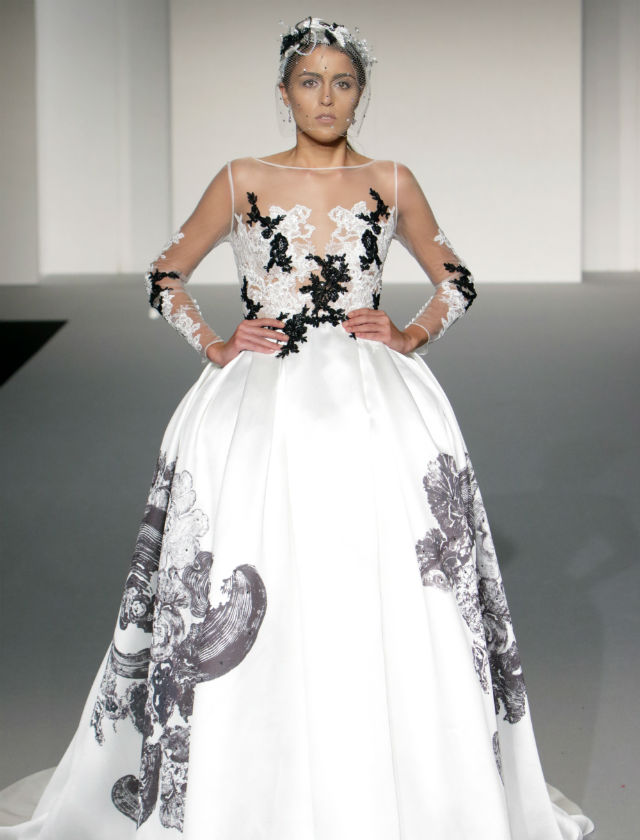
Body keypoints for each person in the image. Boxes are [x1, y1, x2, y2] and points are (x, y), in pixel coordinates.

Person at [0, 16, 595, 840]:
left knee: (377, 574)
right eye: (310, 82)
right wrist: (214, 343)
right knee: (258, 558)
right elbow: (166, 273)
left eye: (342, 83)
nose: (326, 97)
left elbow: (454, 279)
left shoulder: (391, 179)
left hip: (373, 399)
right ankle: (250, 774)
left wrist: (410, 333)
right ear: (284, 93)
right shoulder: (242, 177)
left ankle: (394, 777)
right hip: (261, 400)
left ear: (361, 93)